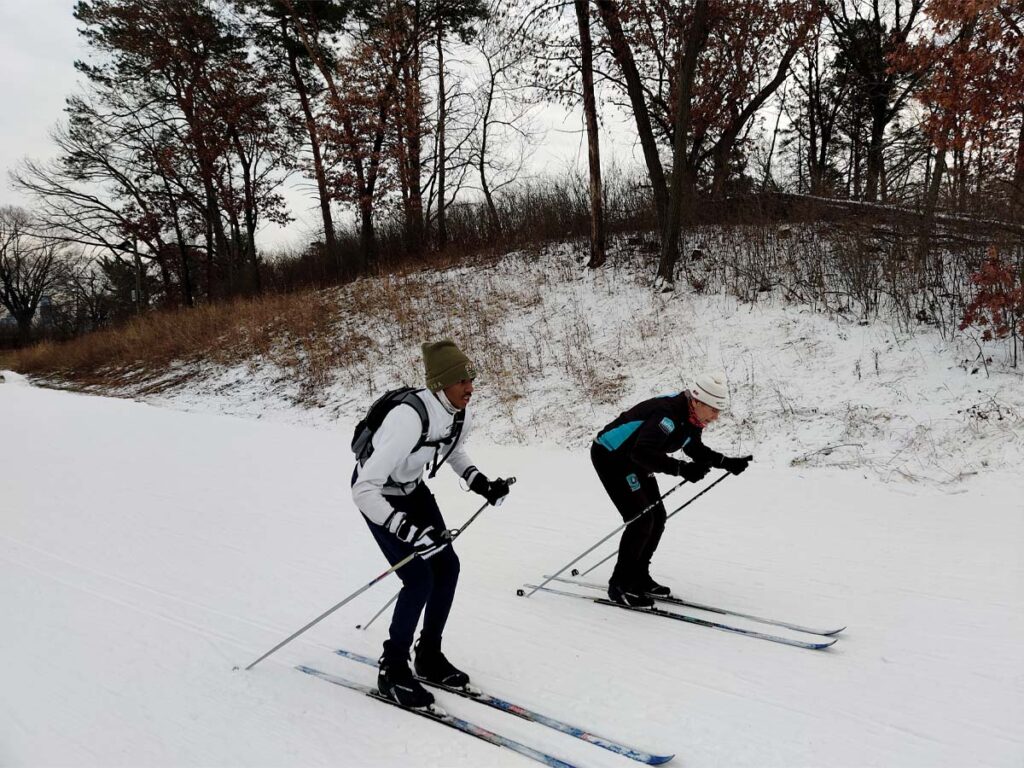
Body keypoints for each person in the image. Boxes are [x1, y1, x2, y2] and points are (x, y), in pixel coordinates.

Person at [351, 339, 512, 709]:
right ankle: (393, 669)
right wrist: (405, 529)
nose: (470, 387)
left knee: (447, 567)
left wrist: (479, 482)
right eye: (461, 381)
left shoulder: (461, 411)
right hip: (380, 496)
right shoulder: (407, 418)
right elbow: (363, 490)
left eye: (471, 378)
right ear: (441, 383)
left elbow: (453, 450)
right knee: (418, 577)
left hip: (412, 489)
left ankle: (429, 656)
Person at [591, 371, 753, 608]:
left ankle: (639, 577)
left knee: (657, 517)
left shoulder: (692, 417)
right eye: (713, 409)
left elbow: (693, 447)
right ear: (697, 401)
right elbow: (642, 451)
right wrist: (681, 469)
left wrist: (725, 462)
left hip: (635, 459)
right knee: (640, 520)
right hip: (612, 457)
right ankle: (620, 585)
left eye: (719, 410)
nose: (716, 416)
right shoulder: (667, 413)